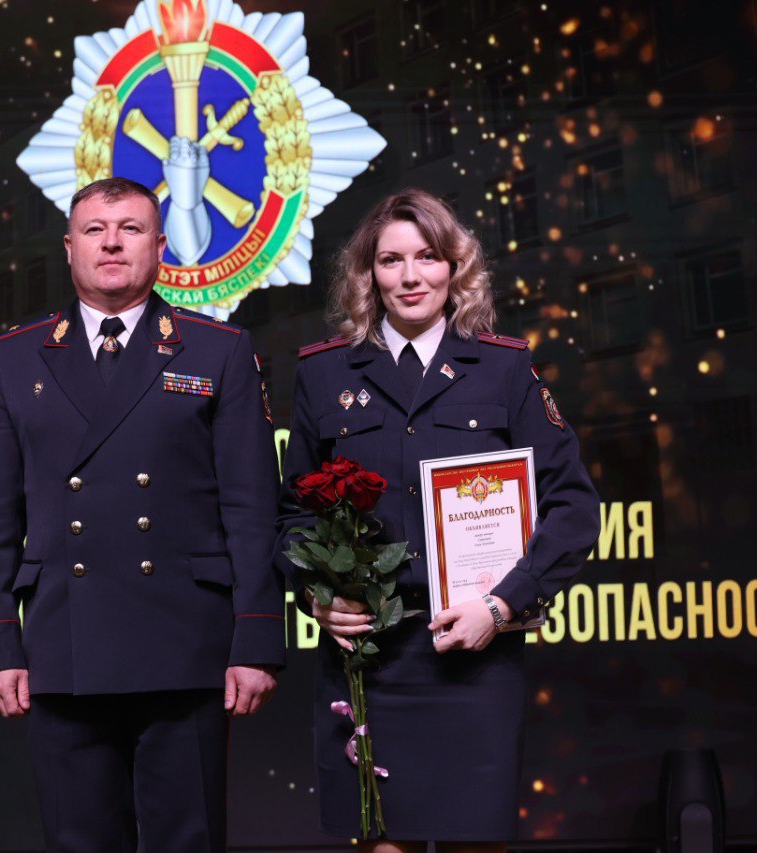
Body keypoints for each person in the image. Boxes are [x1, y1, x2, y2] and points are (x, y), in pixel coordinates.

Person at [274, 188, 600, 852]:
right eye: (390, 260)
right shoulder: (324, 372)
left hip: (475, 657)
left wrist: (503, 606)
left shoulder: (504, 368)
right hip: (366, 658)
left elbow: (573, 508)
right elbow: (290, 517)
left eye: (427, 256)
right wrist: (317, 595)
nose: (410, 276)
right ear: (368, 274)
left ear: (455, 266)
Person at [0, 177, 284, 852]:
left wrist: (256, 640)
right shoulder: (11, 357)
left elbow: (251, 508)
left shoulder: (218, 349)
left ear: (160, 247)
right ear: (70, 247)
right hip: (62, 647)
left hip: (186, 644)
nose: (112, 243)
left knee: (188, 841)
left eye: (131, 229)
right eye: (95, 230)